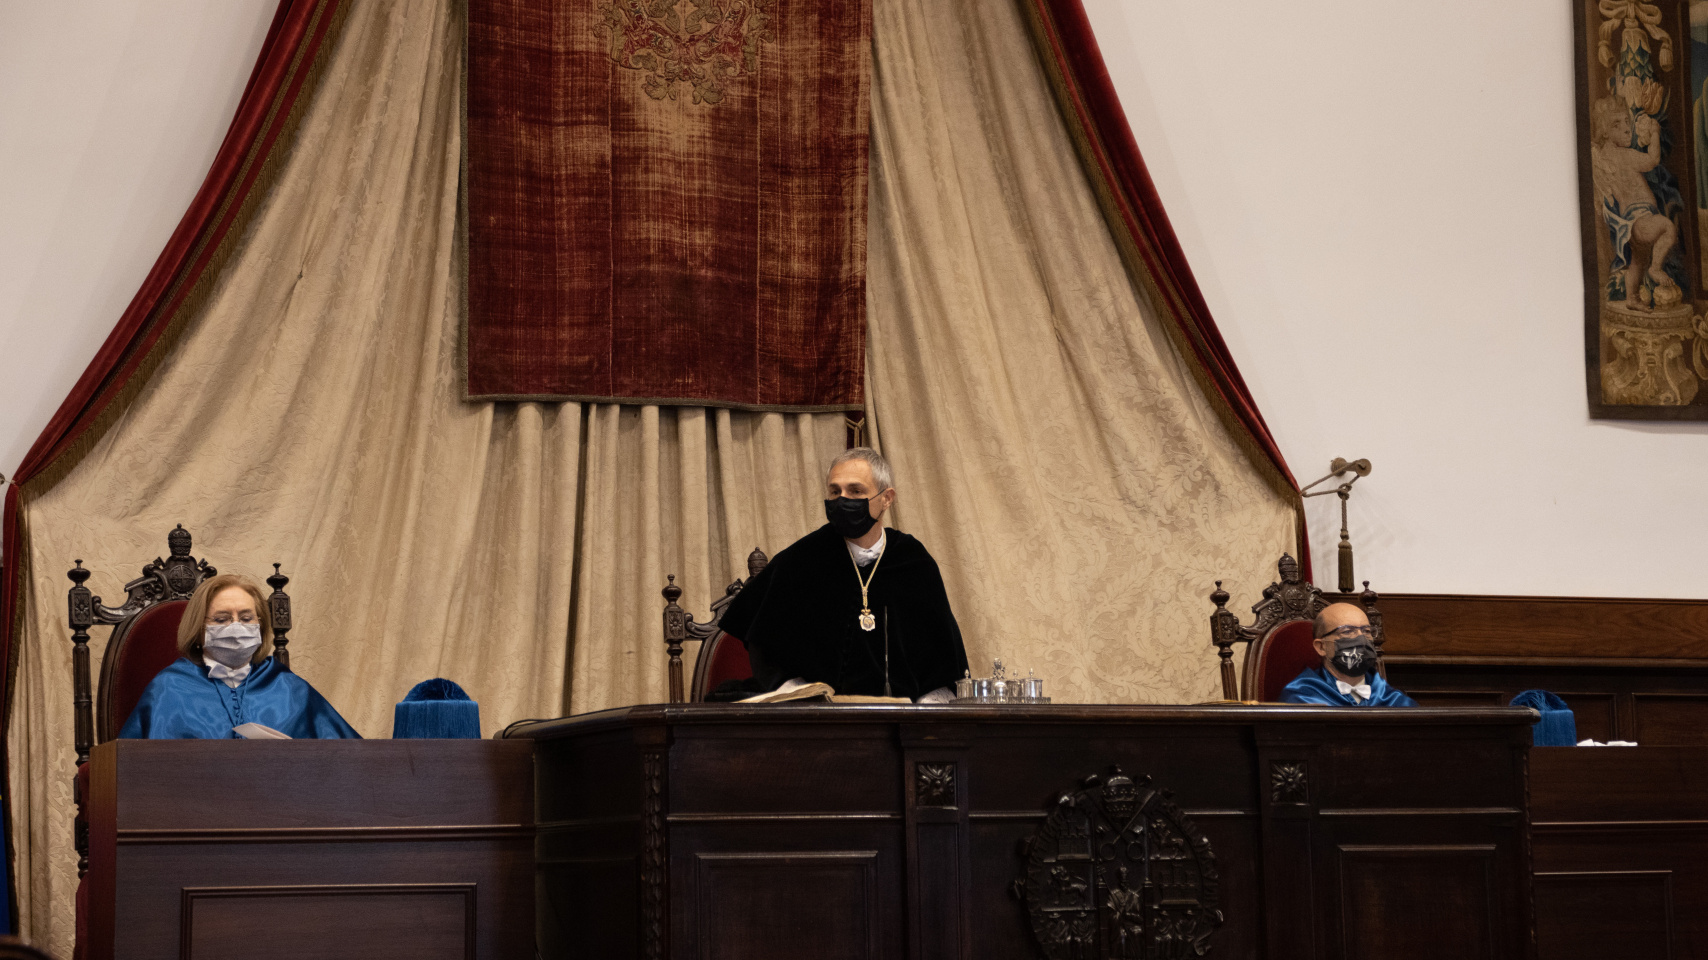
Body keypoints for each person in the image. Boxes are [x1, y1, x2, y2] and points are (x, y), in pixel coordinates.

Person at [716, 447, 969, 703]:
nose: (842, 499)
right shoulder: (802, 559)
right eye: (835, 491)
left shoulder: (913, 560)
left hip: (902, 721)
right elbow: (766, 645)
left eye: (855, 491)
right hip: (822, 722)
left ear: (887, 498)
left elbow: (941, 657)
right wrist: (802, 696)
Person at [119, 573, 361, 739]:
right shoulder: (168, 688)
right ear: (198, 629)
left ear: (261, 625)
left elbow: (348, 756)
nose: (236, 628)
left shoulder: (288, 686)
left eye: (246, 619)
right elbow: (130, 769)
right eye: (221, 619)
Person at [1276, 602, 1416, 707]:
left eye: (1366, 631)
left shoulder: (1394, 700)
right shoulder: (1301, 697)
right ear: (1321, 647)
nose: (1361, 639)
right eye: (1348, 631)